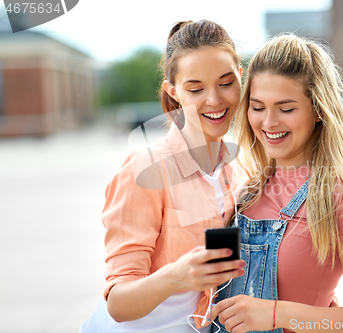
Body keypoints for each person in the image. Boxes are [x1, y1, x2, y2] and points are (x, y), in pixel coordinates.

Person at [210, 34, 343, 333]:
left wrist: (276, 314)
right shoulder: (243, 189)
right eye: (257, 107)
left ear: (318, 109)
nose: (269, 122)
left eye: (286, 108)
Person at [80, 20, 247, 333]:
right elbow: (118, 303)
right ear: (174, 92)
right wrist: (177, 276)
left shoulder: (237, 171)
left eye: (226, 83)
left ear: (241, 77)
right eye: (195, 89)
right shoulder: (145, 170)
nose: (214, 100)